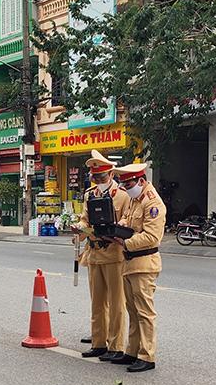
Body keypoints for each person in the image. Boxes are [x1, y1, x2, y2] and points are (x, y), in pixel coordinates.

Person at [71, 150, 130, 361]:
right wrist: (79, 227)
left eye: (101, 177)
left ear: (111, 175)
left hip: (114, 254)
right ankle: (99, 343)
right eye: (94, 177)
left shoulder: (123, 195)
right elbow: (86, 219)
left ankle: (116, 346)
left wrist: (118, 227)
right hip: (94, 253)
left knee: (116, 303)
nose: (97, 180)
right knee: (97, 302)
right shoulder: (90, 195)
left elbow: (127, 221)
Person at [110, 162, 166, 373]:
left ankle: (147, 356)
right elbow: (127, 220)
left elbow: (152, 237)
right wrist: (120, 228)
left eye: (129, 183)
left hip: (144, 263)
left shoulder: (153, 203)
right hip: (130, 262)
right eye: (124, 184)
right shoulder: (136, 199)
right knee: (132, 310)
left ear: (141, 181)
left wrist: (125, 241)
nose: (126, 187)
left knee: (145, 312)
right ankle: (132, 351)